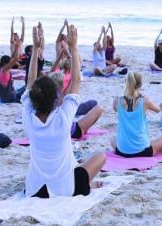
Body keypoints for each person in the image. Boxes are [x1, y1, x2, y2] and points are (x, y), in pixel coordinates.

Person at [22, 22, 105, 198]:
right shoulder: (62, 118)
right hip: (65, 189)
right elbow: (76, 81)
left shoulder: (28, 117)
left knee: (76, 163)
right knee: (100, 156)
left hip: (35, 189)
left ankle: (89, 182)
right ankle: (89, 183)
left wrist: (36, 50)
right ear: (55, 99)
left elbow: (30, 81)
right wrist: (74, 48)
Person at [110, 72, 162, 157]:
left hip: (122, 151)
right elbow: (158, 110)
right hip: (142, 151)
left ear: (126, 83)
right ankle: (158, 150)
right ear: (140, 84)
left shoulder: (117, 100)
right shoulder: (144, 101)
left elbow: (115, 109)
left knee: (112, 138)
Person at [48, 71, 104, 139]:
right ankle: (84, 130)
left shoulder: (46, 98)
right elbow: (75, 81)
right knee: (100, 108)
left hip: (63, 129)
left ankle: (84, 129)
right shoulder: (60, 96)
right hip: (74, 131)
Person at [0, 37, 25, 103]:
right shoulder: (5, 69)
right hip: (8, 98)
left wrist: (16, 47)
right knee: (27, 89)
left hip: (7, 96)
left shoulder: (1, 68)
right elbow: (15, 59)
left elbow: (13, 58)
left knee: (25, 87)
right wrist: (17, 46)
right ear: (7, 63)